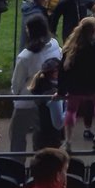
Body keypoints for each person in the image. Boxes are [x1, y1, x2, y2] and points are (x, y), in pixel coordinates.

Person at [9, 16, 62, 154]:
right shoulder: (55, 45)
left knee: (17, 136)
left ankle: (17, 165)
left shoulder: (25, 57)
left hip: (26, 102)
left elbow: (16, 83)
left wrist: (15, 95)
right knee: (43, 139)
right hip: (47, 100)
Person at [58, 17, 95, 152]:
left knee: (71, 110)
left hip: (75, 88)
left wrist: (61, 91)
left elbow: (62, 71)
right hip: (94, 88)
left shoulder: (71, 48)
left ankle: (68, 141)